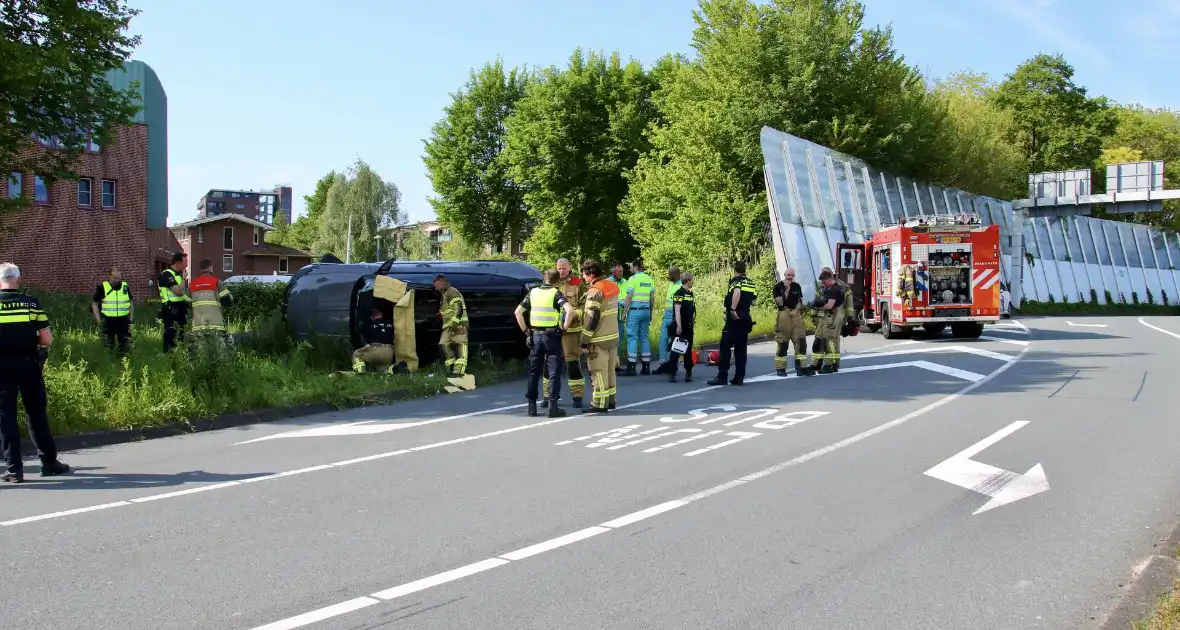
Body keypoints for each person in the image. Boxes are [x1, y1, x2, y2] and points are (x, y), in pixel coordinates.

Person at [0, 263, 70, 483]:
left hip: (1, 368)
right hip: (29, 365)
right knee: (36, 413)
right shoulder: (31, 304)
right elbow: (47, 339)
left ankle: (14, 469)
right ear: (18, 280)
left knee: (6, 417)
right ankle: (49, 462)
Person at [514, 269, 576, 418]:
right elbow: (570, 311)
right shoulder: (556, 293)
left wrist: (526, 331)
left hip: (535, 336)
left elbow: (518, 312)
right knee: (554, 371)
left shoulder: (533, 292)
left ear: (544, 278)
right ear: (557, 281)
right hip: (552, 336)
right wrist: (563, 328)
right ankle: (552, 407)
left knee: (534, 371)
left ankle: (531, 407)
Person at [579, 259, 620, 413]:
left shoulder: (594, 292)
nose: (583, 277)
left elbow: (592, 318)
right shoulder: (612, 287)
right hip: (613, 336)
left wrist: (584, 340)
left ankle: (599, 403)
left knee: (598, 371)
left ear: (590, 275)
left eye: (584, 274)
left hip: (598, 339)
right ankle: (611, 400)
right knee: (610, 370)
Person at [708, 261, 757, 386]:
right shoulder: (751, 283)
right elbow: (754, 302)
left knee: (725, 346)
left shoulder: (736, 281)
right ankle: (739, 377)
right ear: (745, 269)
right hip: (746, 317)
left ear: (735, 269)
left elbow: (737, 293)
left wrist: (733, 309)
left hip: (735, 317)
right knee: (741, 349)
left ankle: (722, 376)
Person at [544, 258, 585, 408]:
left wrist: (575, 314)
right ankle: (548, 396)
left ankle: (577, 396)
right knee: (549, 362)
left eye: (564, 269)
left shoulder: (578, 283)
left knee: (572, 362)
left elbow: (584, 306)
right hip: (552, 329)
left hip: (571, 331)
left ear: (570, 268)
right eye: (559, 269)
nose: (561, 271)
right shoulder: (552, 282)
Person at [773, 267, 813, 377]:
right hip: (783, 315)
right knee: (782, 342)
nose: (790, 277)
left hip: (796, 316)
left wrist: (796, 310)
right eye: (788, 275)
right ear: (784, 274)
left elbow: (800, 302)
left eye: (792, 275)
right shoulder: (778, 287)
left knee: (800, 342)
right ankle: (781, 369)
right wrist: (786, 290)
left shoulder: (797, 286)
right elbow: (780, 303)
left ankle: (801, 368)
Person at [656, 272, 695, 382]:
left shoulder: (690, 294)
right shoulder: (679, 293)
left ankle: (688, 371)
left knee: (688, 350)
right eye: (692, 280)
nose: (693, 282)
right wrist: (678, 326)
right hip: (680, 325)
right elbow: (677, 311)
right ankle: (672, 372)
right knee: (676, 349)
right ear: (688, 281)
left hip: (689, 326)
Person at [188, 258, 234, 352]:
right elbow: (229, 300)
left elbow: (186, 303)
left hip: (198, 326)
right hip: (216, 325)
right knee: (220, 355)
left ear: (200, 269)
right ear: (211, 268)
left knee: (201, 355)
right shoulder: (217, 282)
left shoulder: (192, 284)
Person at [622, 258, 654, 376]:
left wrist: (624, 313)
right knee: (644, 337)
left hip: (635, 311)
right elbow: (652, 298)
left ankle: (631, 366)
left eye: (631, 266)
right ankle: (646, 366)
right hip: (646, 310)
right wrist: (650, 312)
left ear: (635, 267)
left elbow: (629, 297)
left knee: (632, 337)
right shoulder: (649, 279)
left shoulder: (633, 279)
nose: (630, 268)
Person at [433, 274, 469, 377]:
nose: (436, 288)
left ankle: (459, 370)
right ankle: (451, 368)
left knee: (461, 344)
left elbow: (458, 309)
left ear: (443, 282)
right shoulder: (444, 295)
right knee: (443, 345)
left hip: (458, 325)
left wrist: (454, 324)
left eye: (437, 285)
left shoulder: (452, 291)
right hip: (448, 327)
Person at [91, 266, 132, 353]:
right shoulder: (102, 287)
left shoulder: (125, 286)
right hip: (108, 320)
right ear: (109, 277)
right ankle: (108, 362)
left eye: (118, 277)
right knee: (108, 346)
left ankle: (122, 362)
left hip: (123, 320)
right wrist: (98, 320)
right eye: (115, 278)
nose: (117, 280)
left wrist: (131, 317)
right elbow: (94, 303)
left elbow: (131, 302)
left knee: (124, 346)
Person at [812, 269, 845, 374]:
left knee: (829, 341)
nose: (823, 283)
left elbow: (829, 305)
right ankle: (833, 364)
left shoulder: (834, 290)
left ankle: (829, 364)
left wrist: (819, 307)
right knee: (830, 340)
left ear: (829, 279)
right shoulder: (834, 288)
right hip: (833, 316)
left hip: (833, 316)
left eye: (824, 281)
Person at [158, 252, 190, 352]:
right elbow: (179, 292)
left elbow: (184, 293)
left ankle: (180, 355)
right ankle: (169, 357)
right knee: (170, 334)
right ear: (177, 262)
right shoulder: (166, 275)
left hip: (180, 308)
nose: (187, 265)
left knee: (181, 333)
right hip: (170, 309)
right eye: (185, 262)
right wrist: (184, 279)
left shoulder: (179, 275)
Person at [352, 307, 396, 373]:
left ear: (371, 318)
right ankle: (388, 370)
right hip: (389, 353)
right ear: (381, 314)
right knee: (379, 366)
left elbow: (363, 338)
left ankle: (360, 372)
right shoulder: (391, 324)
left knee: (356, 354)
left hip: (375, 350)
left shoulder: (369, 325)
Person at [657, 266, 682, 364]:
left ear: (675, 274)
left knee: (674, 338)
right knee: (663, 337)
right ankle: (663, 359)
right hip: (667, 314)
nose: (668, 276)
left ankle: (673, 360)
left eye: (670, 274)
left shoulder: (680, 286)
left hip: (675, 314)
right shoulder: (671, 284)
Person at [608, 263, 629, 372]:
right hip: (610, 313)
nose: (621, 273)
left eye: (621, 271)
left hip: (621, 313)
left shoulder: (625, 282)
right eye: (619, 272)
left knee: (619, 339)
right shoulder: (608, 282)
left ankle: (616, 364)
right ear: (613, 272)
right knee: (609, 338)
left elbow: (628, 296)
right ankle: (609, 363)